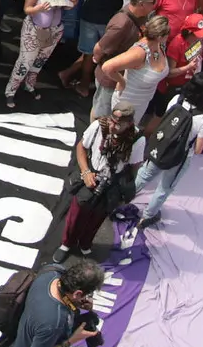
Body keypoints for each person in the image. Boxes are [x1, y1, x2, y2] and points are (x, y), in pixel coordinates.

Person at [61, 105, 145, 255]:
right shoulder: (98, 126)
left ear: (129, 124)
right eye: (112, 120)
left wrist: (125, 187)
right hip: (91, 176)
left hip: (112, 183)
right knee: (76, 214)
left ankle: (85, 244)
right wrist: (86, 172)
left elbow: (134, 166)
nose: (112, 126)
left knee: (98, 217)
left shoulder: (137, 139)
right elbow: (81, 147)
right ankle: (66, 244)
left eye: (118, 124)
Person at [133, 75, 203, 227]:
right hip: (180, 158)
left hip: (161, 147)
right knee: (164, 188)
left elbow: (166, 120)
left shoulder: (177, 99)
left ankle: (120, 200)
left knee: (143, 176)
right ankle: (148, 216)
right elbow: (198, 150)